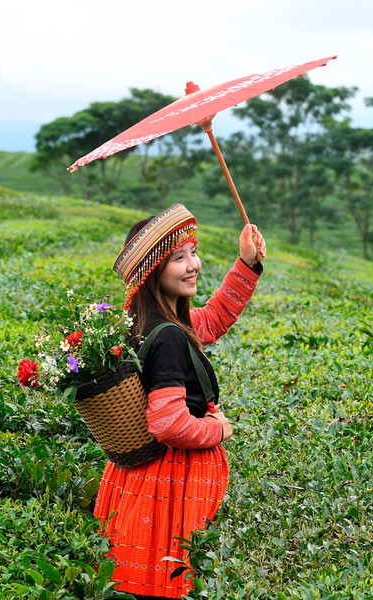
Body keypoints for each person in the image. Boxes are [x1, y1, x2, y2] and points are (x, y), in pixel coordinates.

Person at [93, 203, 266, 600]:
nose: (193, 265)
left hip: (146, 477)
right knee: (173, 583)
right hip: (170, 480)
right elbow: (168, 423)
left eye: (193, 252)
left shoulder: (158, 323)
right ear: (153, 270)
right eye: (177, 258)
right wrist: (217, 429)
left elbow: (214, 320)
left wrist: (246, 263)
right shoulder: (167, 336)